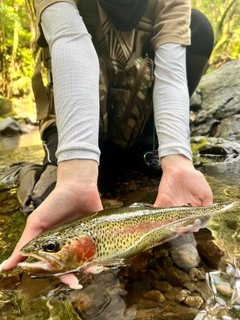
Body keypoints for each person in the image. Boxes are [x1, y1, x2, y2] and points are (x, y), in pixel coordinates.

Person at [0, 0, 214, 287]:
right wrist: (76, 175)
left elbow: (172, 72)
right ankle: (26, 170)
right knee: (44, 199)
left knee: (198, 24)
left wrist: (177, 161)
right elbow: (69, 40)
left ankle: (148, 149)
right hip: (72, 127)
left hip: (133, 127)